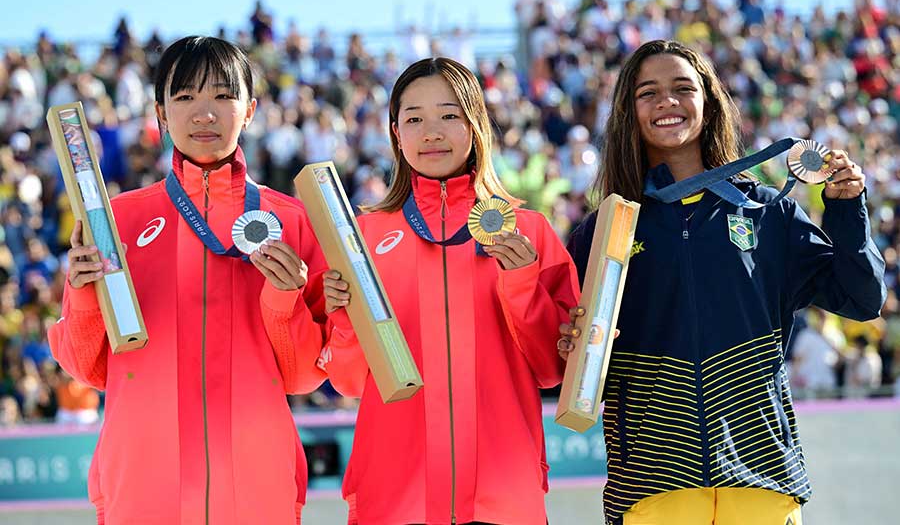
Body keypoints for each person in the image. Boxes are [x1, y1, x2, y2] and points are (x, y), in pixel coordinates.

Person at [560, 40, 886, 525]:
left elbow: (862, 298)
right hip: (653, 488)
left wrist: (846, 209)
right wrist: (569, 346)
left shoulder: (767, 212)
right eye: (648, 92)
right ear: (629, 111)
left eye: (682, 88)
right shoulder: (605, 231)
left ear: (709, 103)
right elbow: (576, 361)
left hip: (762, 481)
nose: (667, 101)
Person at [50, 36, 328, 524]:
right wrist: (84, 293)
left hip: (256, 487)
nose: (205, 113)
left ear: (250, 110)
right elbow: (86, 368)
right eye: (185, 98)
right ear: (161, 113)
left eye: (223, 96)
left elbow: (306, 373)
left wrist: (285, 301)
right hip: (142, 488)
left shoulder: (293, 221)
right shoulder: (117, 222)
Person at [320, 57, 579, 524]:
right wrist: (342, 318)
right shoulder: (363, 238)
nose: (431, 132)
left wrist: (521, 285)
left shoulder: (529, 232)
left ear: (476, 125)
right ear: (396, 133)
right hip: (394, 498)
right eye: (414, 119)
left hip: (501, 499)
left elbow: (553, 367)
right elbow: (348, 379)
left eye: (448, 114)